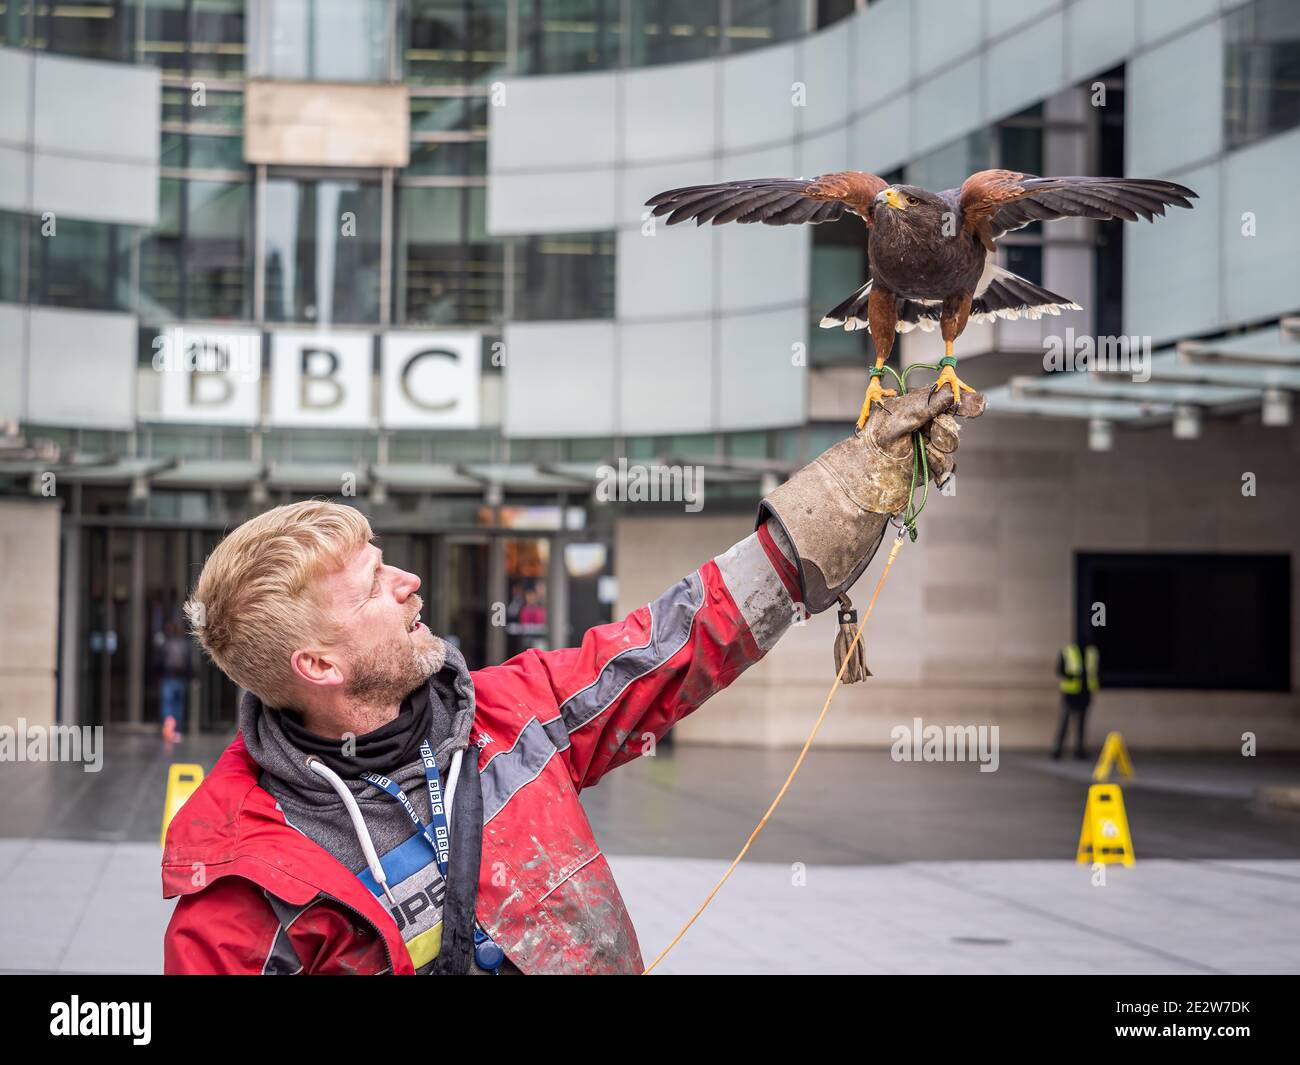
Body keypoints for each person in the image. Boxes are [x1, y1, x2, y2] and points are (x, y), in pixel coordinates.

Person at [161, 388, 984, 975]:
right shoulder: (240, 898)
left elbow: (677, 639)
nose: (409, 581)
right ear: (320, 666)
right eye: (375, 585)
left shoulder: (510, 712)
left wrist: (842, 498)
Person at [1052, 639, 1100, 760]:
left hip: (1085, 692)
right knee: (1065, 720)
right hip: (1070, 692)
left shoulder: (1092, 653)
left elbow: (1096, 672)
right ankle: (1058, 748)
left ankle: (1079, 749)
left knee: (1081, 722)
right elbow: (1059, 670)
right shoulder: (1068, 651)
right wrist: (1072, 676)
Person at [155, 620, 192, 742]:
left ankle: (168, 729)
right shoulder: (184, 644)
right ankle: (176, 731)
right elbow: (188, 663)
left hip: (168, 677)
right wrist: (190, 677)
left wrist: (158, 675)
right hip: (180, 679)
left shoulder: (166, 643)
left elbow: (159, 661)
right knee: (178, 706)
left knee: (167, 704)